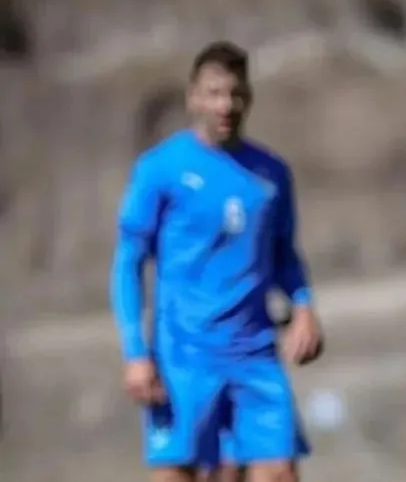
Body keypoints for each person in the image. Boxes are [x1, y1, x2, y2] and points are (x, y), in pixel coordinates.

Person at [110, 41, 322, 482]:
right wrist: (135, 352)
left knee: (280, 473)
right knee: (178, 477)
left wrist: (303, 307)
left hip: (255, 354)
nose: (226, 104)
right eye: (214, 92)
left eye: (236, 93)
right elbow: (128, 263)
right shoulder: (160, 169)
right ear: (193, 96)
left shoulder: (271, 174)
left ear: (249, 97)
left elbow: (283, 253)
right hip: (182, 357)